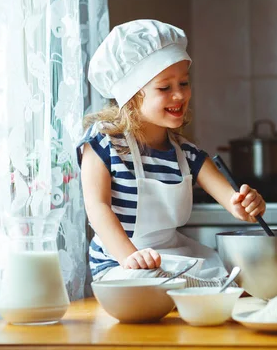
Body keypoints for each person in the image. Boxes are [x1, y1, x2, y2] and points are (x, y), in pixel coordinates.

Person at [78, 19, 266, 287]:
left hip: (175, 258)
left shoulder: (186, 154)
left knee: (239, 278)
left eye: (184, 83)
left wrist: (247, 205)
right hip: (119, 263)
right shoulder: (104, 142)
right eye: (165, 88)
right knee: (156, 285)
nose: (179, 95)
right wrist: (130, 257)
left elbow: (234, 202)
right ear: (132, 95)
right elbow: (97, 207)